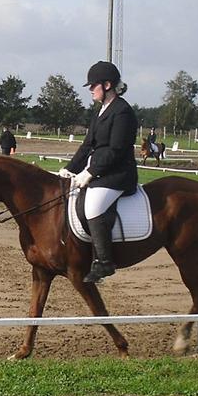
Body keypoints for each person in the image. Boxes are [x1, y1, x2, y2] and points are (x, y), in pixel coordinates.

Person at [57, 60, 138, 283]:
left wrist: (90, 172)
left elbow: (117, 149)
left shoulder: (122, 112)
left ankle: (104, 262)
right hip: (102, 171)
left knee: (92, 206)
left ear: (108, 85)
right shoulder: (101, 111)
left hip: (119, 174)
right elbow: (87, 145)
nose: (91, 90)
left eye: (94, 86)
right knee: (75, 199)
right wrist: (69, 169)